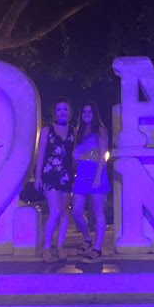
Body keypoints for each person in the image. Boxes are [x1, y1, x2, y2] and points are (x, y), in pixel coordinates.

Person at [34, 97, 75, 263]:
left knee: (65, 212)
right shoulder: (47, 130)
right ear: (55, 112)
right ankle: (46, 248)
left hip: (66, 175)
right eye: (59, 109)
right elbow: (41, 154)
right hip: (50, 174)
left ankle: (60, 246)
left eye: (65, 109)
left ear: (69, 112)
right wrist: (37, 176)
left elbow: (75, 153)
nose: (62, 112)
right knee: (56, 211)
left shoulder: (73, 130)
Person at [71, 101, 110, 263]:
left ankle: (97, 248)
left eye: (90, 112)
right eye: (84, 112)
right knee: (77, 211)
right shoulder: (79, 131)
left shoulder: (100, 129)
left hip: (96, 173)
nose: (87, 114)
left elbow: (103, 154)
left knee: (97, 212)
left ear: (95, 114)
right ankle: (87, 239)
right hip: (81, 174)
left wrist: (97, 177)